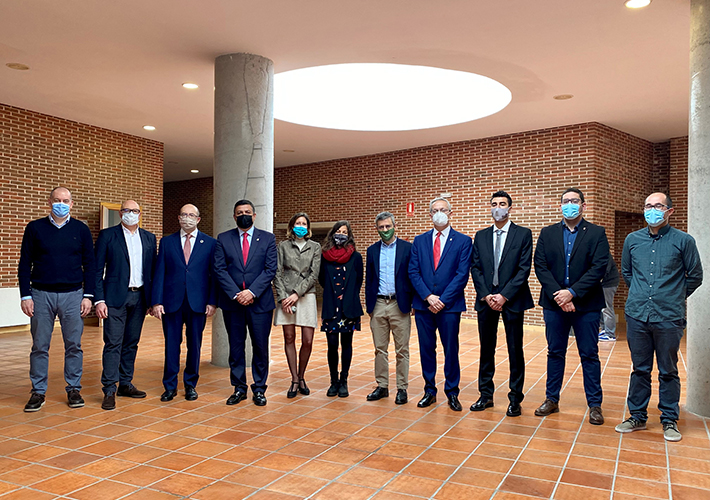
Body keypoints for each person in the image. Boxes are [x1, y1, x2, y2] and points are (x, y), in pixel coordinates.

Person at [615, 193, 702, 442]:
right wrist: (642, 293)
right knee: (640, 369)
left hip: (668, 316)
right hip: (638, 314)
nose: (652, 210)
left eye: (657, 206)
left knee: (668, 370)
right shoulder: (632, 240)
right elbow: (627, 272)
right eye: (648, 206)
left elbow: (695, 275)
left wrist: (673, 295)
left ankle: (669, 420)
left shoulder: (684, 241)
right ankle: (637, 416)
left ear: (669, 211)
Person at [533, 188, 609, 425]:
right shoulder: (547, 233)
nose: (569, 205)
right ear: (560, 206)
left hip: (586, 305)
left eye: (574, 201)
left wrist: (572, 293)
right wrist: (560, 296)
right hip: (554, 304)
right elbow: (540, 266)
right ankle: (551, 399)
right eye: (565, 201)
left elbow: (598, 268)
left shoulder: (596, 233)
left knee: (589, 354)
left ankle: (595, 405)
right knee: (555, 352)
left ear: (583, 206)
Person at [18, 187, 95, 412]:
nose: (61, 203)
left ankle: (73, 388)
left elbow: (90, 264)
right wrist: (26, 295)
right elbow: (25, 263)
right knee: (40, 345)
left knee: (74, 345)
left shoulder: (81, 229)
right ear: (49, 202)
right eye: (57, 200)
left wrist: (88, 295)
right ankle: (38, 392)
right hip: (41, 295)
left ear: (72, 204)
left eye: (66, 200)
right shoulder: (34, 228)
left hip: (73, 294)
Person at [470, 191, 534, 417]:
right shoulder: (481, 236)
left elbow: (523, 269)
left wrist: (504, 295)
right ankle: (485, 395)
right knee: (486, 349)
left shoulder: (523, 234)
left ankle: (515, 398)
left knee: (515, 350)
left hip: (513, 299)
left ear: (510, 208)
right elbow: (475, 268)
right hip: (486, 300)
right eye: (494, 204)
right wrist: (487, 295)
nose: (498, 207)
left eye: (502, 204)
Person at [409, 197, 472, 412]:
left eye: (443, 209)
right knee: (427, 349)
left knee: (450, 349)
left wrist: (442, 299)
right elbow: (413, 272)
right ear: (429, 215)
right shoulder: (419, 241)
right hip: (423, 305)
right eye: (435, 210)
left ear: (450, 213)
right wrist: (428, 296)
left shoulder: (463, 241)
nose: (439, 213)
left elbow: (462, 275)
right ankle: (429, 391)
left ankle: (452, 392)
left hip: (450, 306)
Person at [94, 200, 157, 410]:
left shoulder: (149, 238)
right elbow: (96, 269)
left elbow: (153, 272)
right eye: (127, 210)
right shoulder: (108, 235)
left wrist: (152, 300)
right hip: (114, 299)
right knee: (113, 343)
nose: (131, 214)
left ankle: (125, 383)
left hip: (139, 298)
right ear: (121, 213)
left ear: (140, 214)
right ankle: (109, 388)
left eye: (135, 211)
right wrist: (99, 299)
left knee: (131, 342)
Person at [214, 199, 277, 407]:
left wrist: (251, 292)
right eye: (240, 212)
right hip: (233, 304)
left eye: (247, 211)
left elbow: (270, 270)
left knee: (260, 347)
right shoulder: (223, 239)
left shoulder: (267, 239)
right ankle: (239, 387)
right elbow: (220, 269)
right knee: (236, 347)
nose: (244, 215)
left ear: (255, 215)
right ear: (234, 216)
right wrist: (236, 293)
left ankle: (259, 388)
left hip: (260, 304)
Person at [151, 204, 217, 402]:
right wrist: (156, 301)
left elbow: (214, 275)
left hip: (198, 302)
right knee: (172, 344)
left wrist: (212, 301)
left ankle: (190, 384)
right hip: (171, 302)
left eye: (191, 215)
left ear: (198, 219)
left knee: (194, 345)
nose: (186, 218)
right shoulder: (167, 242)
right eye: (183, 215)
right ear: (178, 218)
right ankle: (169, 386)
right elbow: (159, 272)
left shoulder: (210, 243)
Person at [365, 212, 413, 405]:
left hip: (399, 304)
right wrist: (369, 306)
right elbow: (369, 278)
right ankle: (382, 386)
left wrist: (413, 303)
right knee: (380, 349)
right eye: (381, 227)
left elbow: (412, 276)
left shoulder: (408, 248)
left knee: (402, 349)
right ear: (377, 229)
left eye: (387, 226)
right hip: (378, 304)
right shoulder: (372, 250)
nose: (385, 230)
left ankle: (402, 388)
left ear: (395, 226)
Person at [274, 212, 321, 398]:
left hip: (306, 294)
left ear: (308, 228)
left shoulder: (315, 247)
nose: (300, 226)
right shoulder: (283, 246)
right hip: (286, 295)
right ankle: (294, 379)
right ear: (291, 226)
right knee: (289, 337)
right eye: (297, 223)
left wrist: (296, 294)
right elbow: (276, 273)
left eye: (304, 223)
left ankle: (302, 376)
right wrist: (284, 296)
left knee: (308, 340)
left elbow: (313, 274)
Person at [319, 221, 364, 398]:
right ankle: (333, 381)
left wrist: (348, 296)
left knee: (346, 344)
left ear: (349, 235)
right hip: (331, 307)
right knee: (331, 345)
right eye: (338, 231)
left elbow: (359, 279)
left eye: (345, 232)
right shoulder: (325, 256)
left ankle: (344, 380)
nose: (341, 234)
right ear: (333, 233)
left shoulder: (356, 257)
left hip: (348, 308)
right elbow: (322, 279)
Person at [598, 257, 619, 341]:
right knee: (602, 307)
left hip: (608, 284)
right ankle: (604, 329)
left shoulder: (605, 255)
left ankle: (610, 333)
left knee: (606, 308)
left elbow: (605, 270)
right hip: (605, 284)